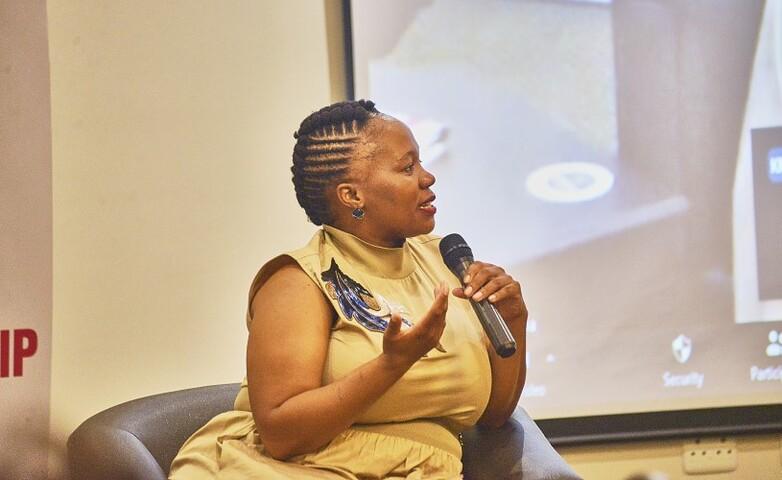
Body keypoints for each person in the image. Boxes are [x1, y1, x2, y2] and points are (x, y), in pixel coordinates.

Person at [168, 100, 528, 479]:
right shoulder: (299, 281)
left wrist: (514, 317)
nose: (427, 178)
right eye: (408, 167)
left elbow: (494, 415)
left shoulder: (445, 262)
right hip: (298, 468)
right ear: (352, 196)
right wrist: (392, 364)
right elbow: (280, 435)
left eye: (420, 163)